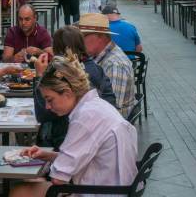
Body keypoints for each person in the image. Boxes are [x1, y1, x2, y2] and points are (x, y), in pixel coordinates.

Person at [10, 57, 138, 197]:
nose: (47, 106)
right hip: (115, 188)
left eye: (49, 99)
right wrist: (48, 156)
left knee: (20, 191)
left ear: (67, 93)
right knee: (32, 181)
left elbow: (58, 179)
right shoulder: (96, 106)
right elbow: (81, 158)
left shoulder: (85, 117)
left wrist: (48, 168)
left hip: (100, 191)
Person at [33, 26, 115, 148]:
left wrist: (40, 76)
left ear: (59, 51)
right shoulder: (96, 68)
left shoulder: (66, 75)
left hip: (69, 140)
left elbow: (43, 114)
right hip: (98, 135)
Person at [77, 13, 136, 118]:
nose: (79, 42)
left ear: (100, 37)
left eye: (83, 36)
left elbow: (111, 109)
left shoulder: (114, 65)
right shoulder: (100, 56)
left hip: (109, 126)